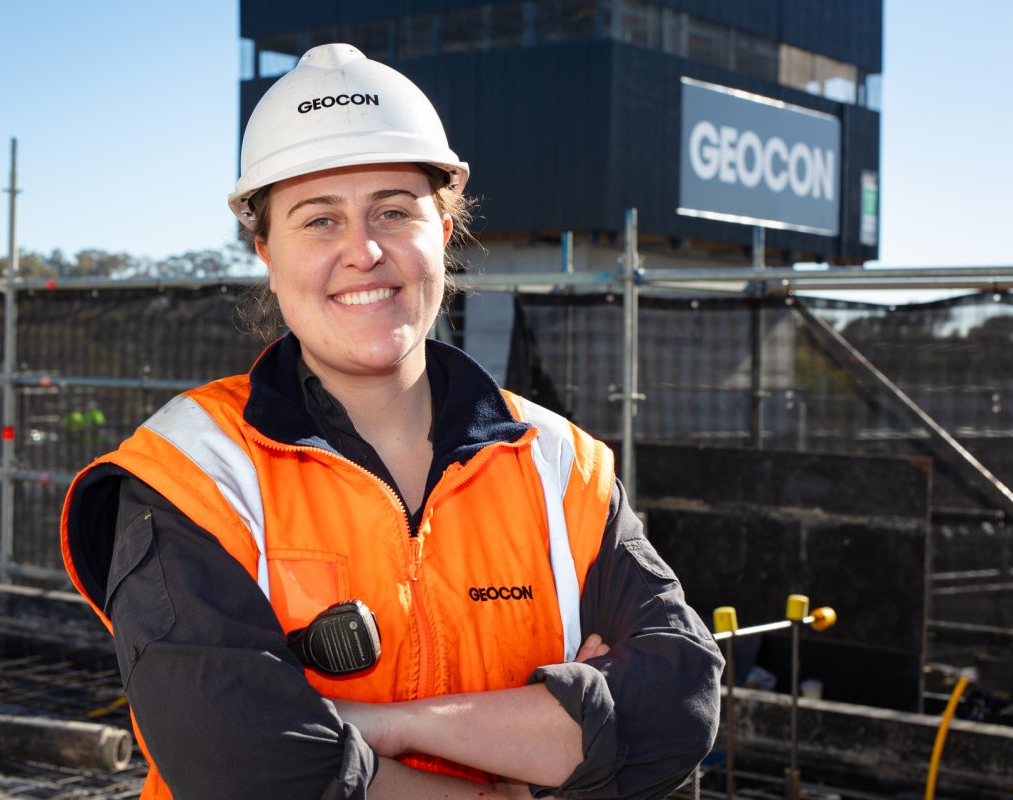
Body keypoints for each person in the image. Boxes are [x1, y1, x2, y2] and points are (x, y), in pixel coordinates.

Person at [61, 43, 723, 799]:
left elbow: (679, 707)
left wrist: (393, 726)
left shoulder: (560, 467)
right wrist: (536, 753)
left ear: (442, 233)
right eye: (319, 221)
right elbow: (243, 767)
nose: (364, 252)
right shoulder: (193, 475)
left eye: (394, 211)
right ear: (267, 255)